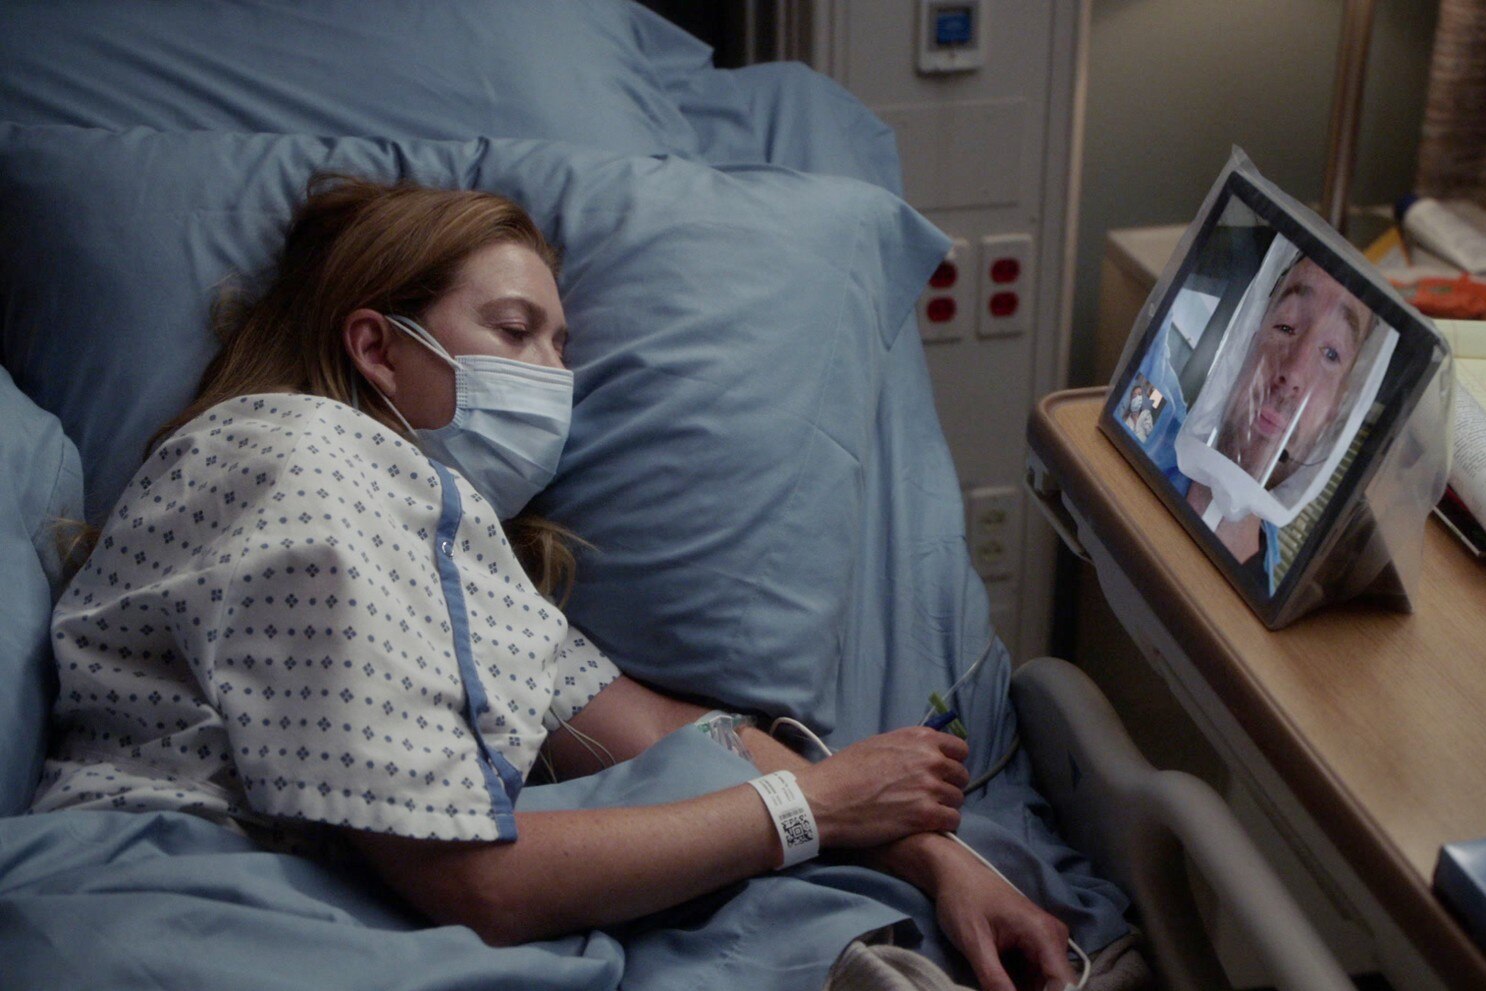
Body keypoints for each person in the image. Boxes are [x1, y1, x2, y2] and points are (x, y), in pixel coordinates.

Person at [31, 175, 1079, 991]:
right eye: (513, 331)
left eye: (562, 346)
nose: (549, 377)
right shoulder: (299, 460)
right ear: (375, 349)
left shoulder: (452, 542)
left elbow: (668, 732)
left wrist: (935, 859)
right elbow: (476, 883)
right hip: (168, 901)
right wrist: (814, 803)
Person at [1183, 257, 1374, 574]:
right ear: (1244, 340)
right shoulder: (1144, 443)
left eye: (1331, 353)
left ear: (1336, 410)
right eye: (1285, 327)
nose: (1294, 375)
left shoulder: (1263, 603)